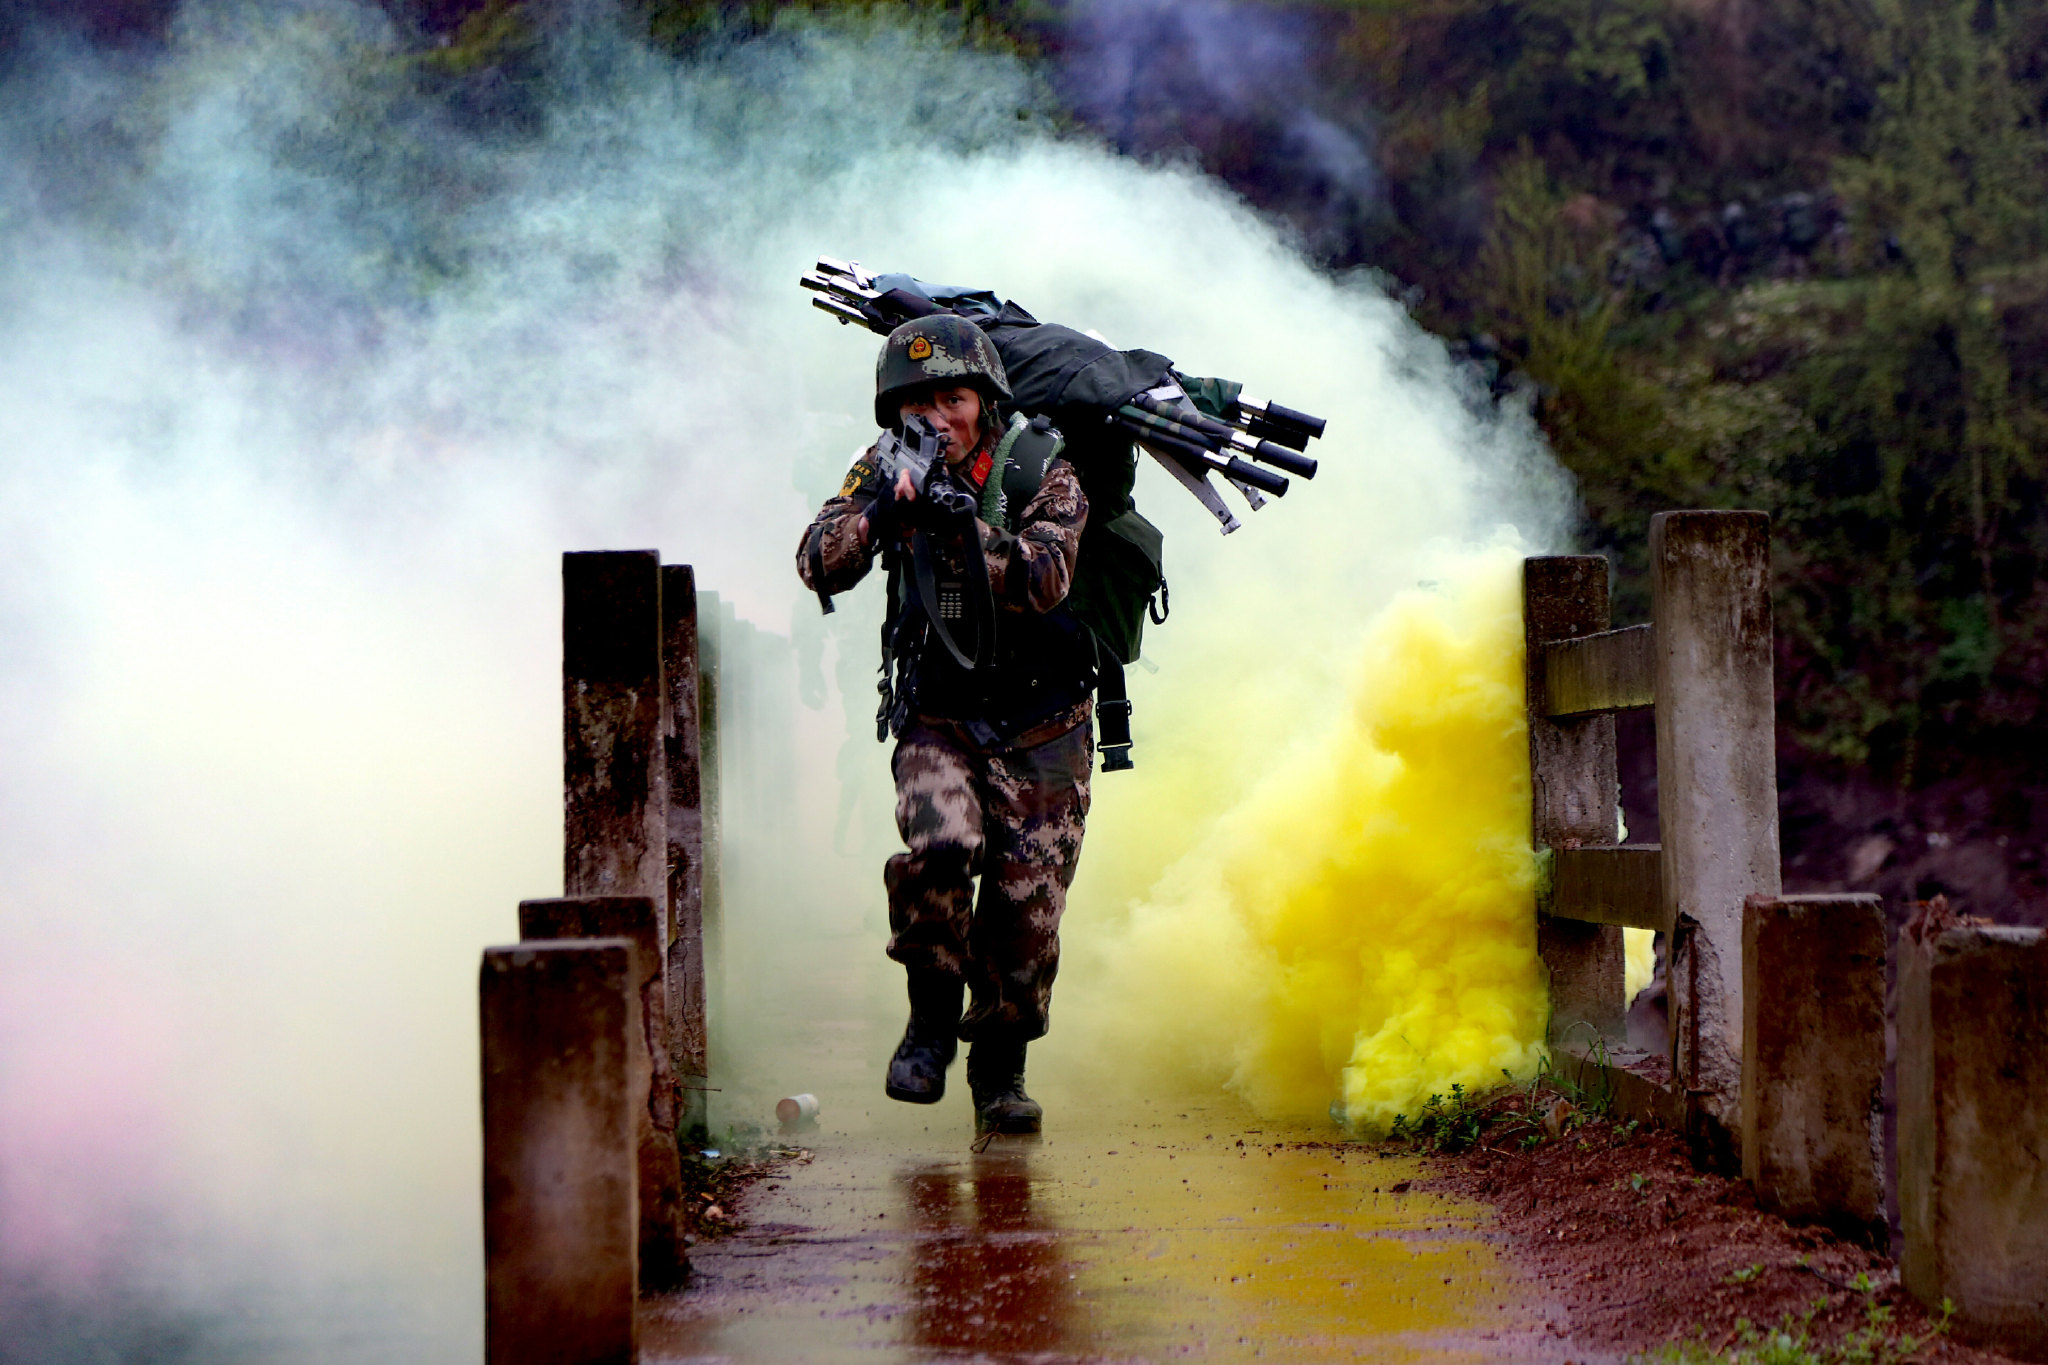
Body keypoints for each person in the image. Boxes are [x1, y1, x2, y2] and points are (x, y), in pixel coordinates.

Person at [796, 314, 1095, 1136]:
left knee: (1024, 921)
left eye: (954, 396)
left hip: (1045, 723)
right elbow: (816, 557)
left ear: (985, 400)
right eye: (919, 400)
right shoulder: (883, 465)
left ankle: (1000, 1069)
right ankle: (929, 1021)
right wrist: (883, 520)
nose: (938, 416)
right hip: (940, 715)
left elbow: (1045, 578)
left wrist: (963, 522)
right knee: (941, 846)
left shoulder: (1043, 467)